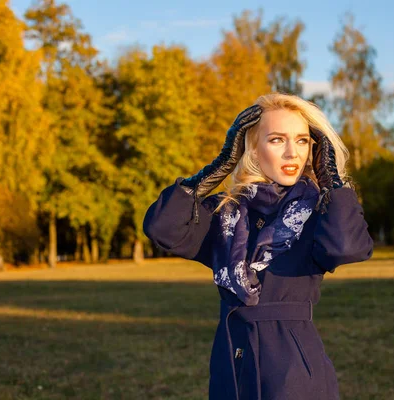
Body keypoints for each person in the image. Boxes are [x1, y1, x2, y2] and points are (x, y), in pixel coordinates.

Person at [143, 93, 373, 400]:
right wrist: (217, 169)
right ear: (252, 147)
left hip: (293, 374)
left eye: (303, 141)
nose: (293, 152)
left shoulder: (320, 213)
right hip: (231, 365)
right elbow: (162, 229)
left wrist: (331, 181)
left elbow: (346, 247)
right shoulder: (226, 212)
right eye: (277, 140)